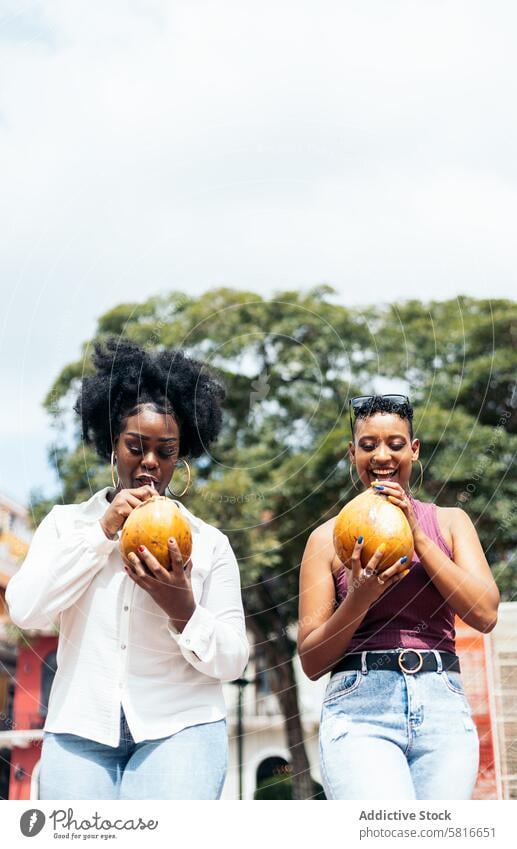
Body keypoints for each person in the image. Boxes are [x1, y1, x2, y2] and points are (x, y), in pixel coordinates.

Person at [7, 337, 249, 800]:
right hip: (79, 730)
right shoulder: (67, 525)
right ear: (111, 445)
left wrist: (182, 608)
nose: (150, 464)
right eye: (136, 447)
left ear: (182, 454)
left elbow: (233, 660)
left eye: (166, 451)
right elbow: (25, 610)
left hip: (181, 728)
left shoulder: (209, 544)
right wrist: (102, 532)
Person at [298, 394, 500, 800]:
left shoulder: (450, 522)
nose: (382, 456)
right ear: (352, 453)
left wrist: (420, 539)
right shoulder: (325, 539)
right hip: (360, 709)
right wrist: (359, 598)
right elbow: (312, 659)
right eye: (368, 445)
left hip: (442, 703)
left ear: (414, 449)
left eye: (395, 443)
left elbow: (485, 613)